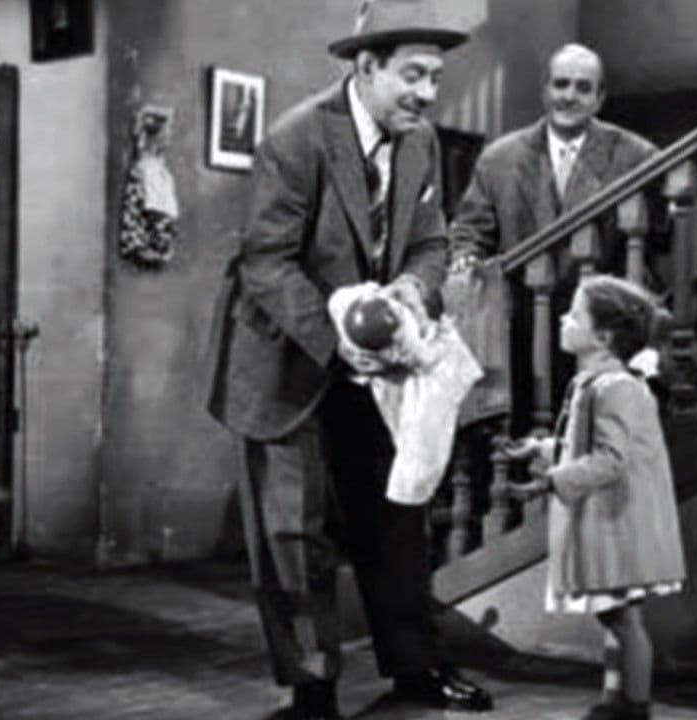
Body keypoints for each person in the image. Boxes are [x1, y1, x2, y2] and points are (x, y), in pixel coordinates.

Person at [202, 1, 492, 718]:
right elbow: (266, 264)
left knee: (395, 515)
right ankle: (313, 689)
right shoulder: (296, 138)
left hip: (374, 365)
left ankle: (416, 668)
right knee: (293, 532)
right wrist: (342, 339)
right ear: (366, 66)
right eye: (413, 75)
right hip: (285, 358)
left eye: (435, 77)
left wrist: (412, 289)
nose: (428, 93)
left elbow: (430, 243)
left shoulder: (420, 142)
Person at [500, 275, 687, 720]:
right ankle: (612, 696)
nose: (563, 320)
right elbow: (583, 446)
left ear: (603, 337)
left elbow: (611, 459)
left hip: (621, 523)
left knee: (624, 620)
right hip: (610, 520)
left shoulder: (615, 387)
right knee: (613, 616)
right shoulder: (596, 383)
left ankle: (635, 706)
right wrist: (542, 449)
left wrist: (550, 481)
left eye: (574, 315)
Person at [447, 43, 659, 432]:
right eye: (561, 84)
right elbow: (470, 230)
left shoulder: (637, 156)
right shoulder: (499, 158)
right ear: (545, 89)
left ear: (600, 98)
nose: (569, 96)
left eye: (583, 87)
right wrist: (466, 256)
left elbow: (660, 239)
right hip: (521, 324)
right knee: (523, 431)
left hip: (599, 330)